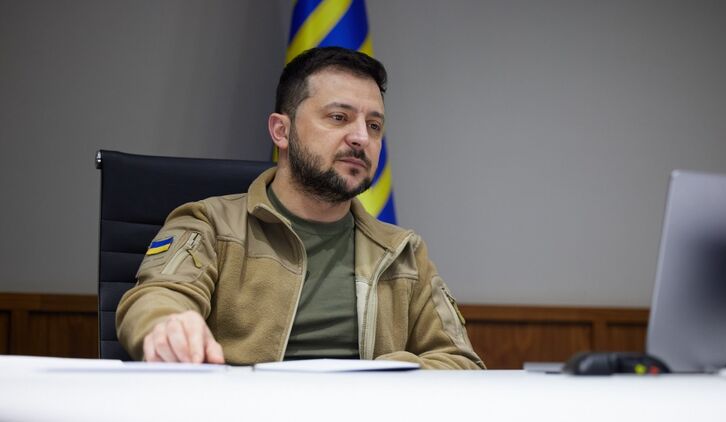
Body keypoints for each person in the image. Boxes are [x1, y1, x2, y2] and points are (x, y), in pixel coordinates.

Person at [116, 47, 485, 369]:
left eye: (374, 125)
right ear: (281, 131)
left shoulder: (403, 253)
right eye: (339, 117)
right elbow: (156, 299)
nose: (361, 137)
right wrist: (168, 325)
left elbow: (460, 361)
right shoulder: (209, 224)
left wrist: (384, 375)